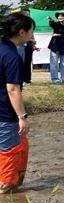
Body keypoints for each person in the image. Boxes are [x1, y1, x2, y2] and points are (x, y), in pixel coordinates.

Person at [0, 12, 34, 193]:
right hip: (5, 112)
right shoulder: (12, 56)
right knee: (9, 151)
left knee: (20, 143)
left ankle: (14, 182)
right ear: (22, 32)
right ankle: (6, 194)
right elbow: (13, 89)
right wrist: (22, 116)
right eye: (31, 31)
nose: (32, 35)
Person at [47, 12, 64, 84]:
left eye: (62, 16)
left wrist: (60, 35)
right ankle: (55, 79)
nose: (60, 17)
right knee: (54, 64)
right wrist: (51, 20)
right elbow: (53, 25)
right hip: (55, 47)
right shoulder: (56, 24)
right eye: (59, 16)